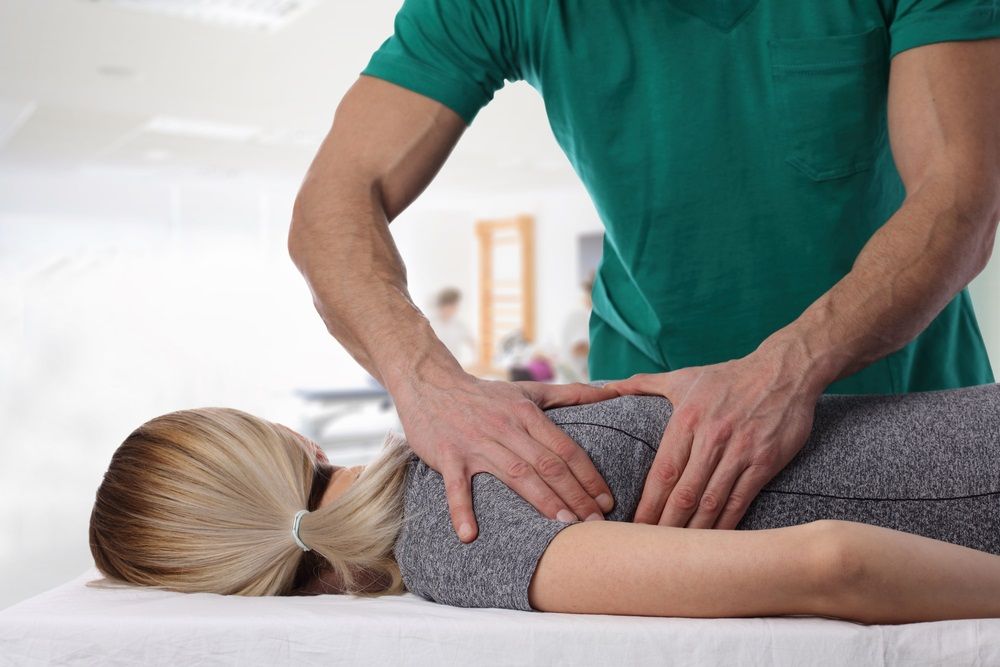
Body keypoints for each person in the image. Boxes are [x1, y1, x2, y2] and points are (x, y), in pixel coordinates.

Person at [287, 2, 1000, 543]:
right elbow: (332, 205)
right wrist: (428, 386)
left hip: (907, 401)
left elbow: (961, 197)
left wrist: (790, 368)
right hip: (649, 428)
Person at [90, 381, 1000, 623]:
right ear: (288, 444)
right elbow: (824, 563)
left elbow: (832, 565)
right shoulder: (460, 479)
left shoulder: (455, 532)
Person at [427, 287, 476, 367]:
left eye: (454, 306)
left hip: (453, 368)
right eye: (450, 306)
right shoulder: (430, 324)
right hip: (434, 366)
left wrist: (475, 362)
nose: (452, 309)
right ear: (442, 306)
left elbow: (472, 343)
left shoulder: (459, 325)